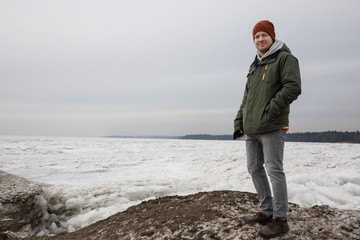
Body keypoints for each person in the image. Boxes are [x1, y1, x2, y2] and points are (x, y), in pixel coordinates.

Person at [233, 20, 301, 239]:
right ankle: (266, 211)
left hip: (272, 126)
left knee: (274, 170)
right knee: (254, 168)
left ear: (272, 37)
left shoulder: (285, 59)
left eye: (263, 35)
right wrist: (239, 122)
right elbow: (246, 99)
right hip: (252, 128)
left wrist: (270, 110)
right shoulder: (255, 66)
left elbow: (293, 87)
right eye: (256, 37)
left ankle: (280, 220)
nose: (260, 39)